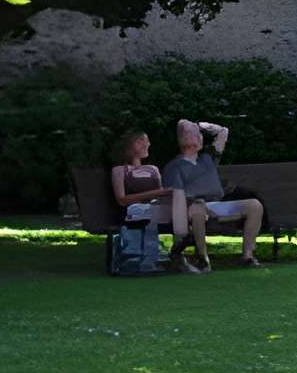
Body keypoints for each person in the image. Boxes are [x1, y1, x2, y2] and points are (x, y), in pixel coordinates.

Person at [160, 117, 265, 267]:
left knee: (254, 205)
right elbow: (173, 195)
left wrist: (203, 126)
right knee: (198, 211)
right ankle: (203, 259)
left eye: (198, 134)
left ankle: (248, 256)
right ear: (182, 140)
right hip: (194, 206)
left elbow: (223, 132)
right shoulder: (175, 166)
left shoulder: (208, 158)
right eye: (193, 134)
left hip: (217, 204)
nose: (198, 137)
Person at [107, 130, 203, 273]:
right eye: (140, 141)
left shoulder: (153, 169)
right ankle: (182, 246)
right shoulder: (120, 170)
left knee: (185, 199)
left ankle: (183, 245)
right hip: (134, 211)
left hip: (158, 208)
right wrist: (162, 192)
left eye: (147, 140)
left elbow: (161, 197)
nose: (147, 144)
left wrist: (170, 193)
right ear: (127, 146)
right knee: (184, 208)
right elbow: (122, 200)